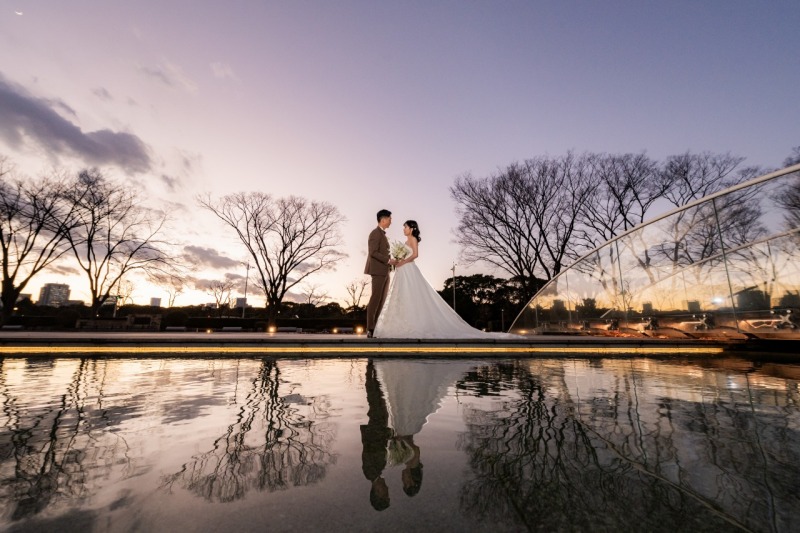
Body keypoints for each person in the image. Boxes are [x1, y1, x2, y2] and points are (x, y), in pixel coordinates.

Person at [373, 220, 516, 339]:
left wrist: (403, 262)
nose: (403, 229)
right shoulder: (405, 241)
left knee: (413, 296)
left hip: (409, 269)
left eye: (405, 227)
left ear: (411, 229)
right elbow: (404, 256)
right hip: (402, 271)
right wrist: (398, 261)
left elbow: (416, 254)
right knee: (401, 298)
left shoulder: (413, 239)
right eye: (403, 227)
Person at [364, 209, 397, 338]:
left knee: (382, 300)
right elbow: (373, 252)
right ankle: (370, 329)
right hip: (377, 270)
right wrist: (388, 260)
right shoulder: (375, 233)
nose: (391, 221)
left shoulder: (382, 234)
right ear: (383, 219)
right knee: (375, 299)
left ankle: (376, 328)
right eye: (390, 219)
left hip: (385, 271)